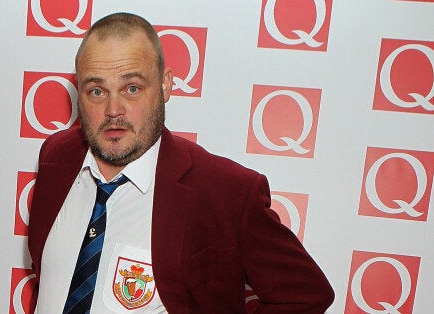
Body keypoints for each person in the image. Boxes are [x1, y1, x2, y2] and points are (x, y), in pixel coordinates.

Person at [28, 12, 334, 313]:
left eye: (132, 88)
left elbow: (305, 295)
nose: (113, 109)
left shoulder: (225, 193)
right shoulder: (56, 157)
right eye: (97, 91)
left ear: (165, 85)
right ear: (79, 93)